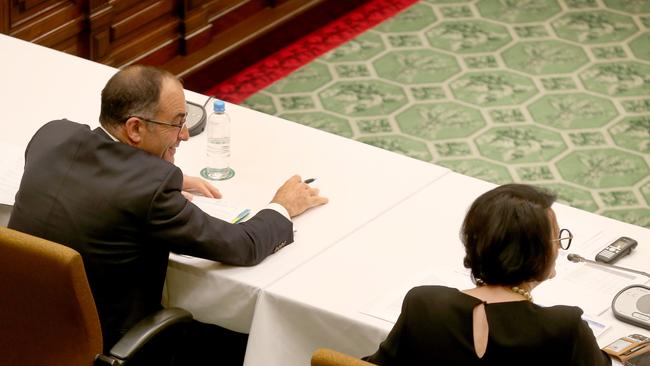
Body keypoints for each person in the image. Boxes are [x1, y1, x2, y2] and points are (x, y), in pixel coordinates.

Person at [8, 65, 328, 361]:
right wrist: (282, 207)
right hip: (106, 346)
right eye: (176, 122)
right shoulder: (150, 191)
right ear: (135, 128)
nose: (185, 134)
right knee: (244, 344)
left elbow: (91, 181)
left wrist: (155, 171)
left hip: (18, 329)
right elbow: (240, 245)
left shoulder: (52, 136)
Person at [363, 184, 610, 366]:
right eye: (556, 238)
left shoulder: (424, 303)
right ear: (537, 251)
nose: (559, 247)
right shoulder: (565, 327)